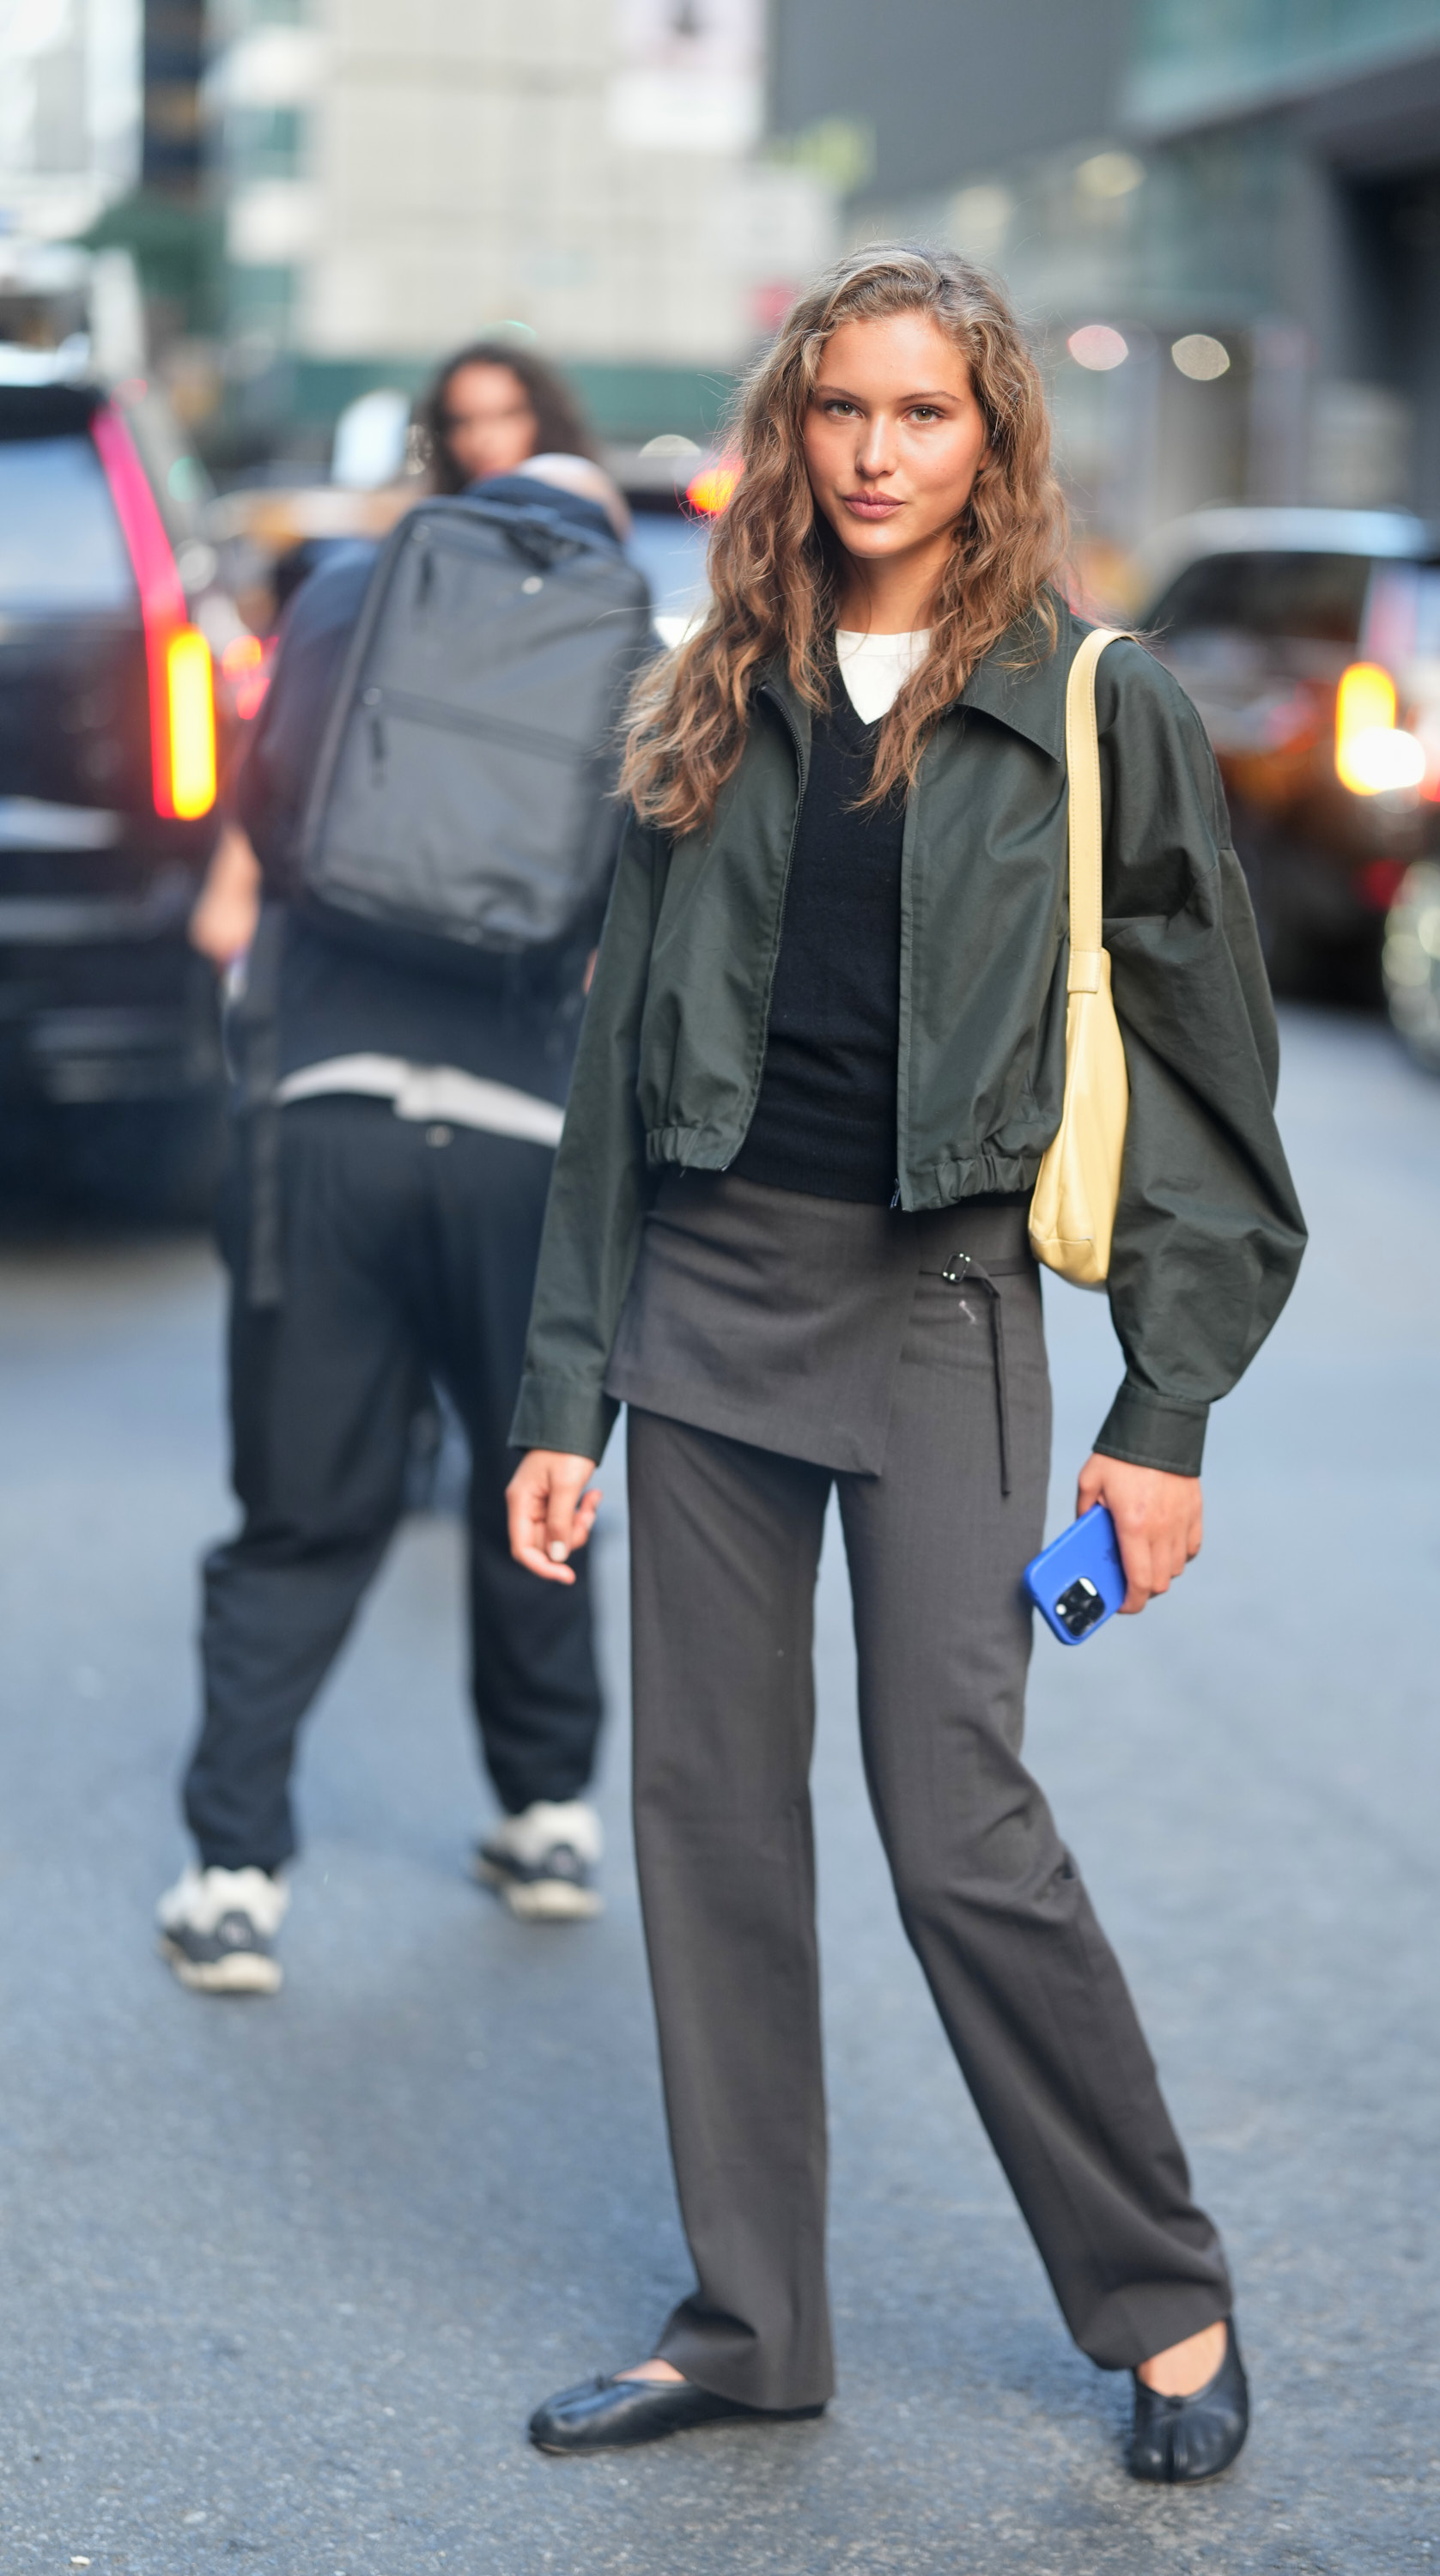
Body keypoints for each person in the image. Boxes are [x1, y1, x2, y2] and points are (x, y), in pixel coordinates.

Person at [505, 246, 1307, 2482]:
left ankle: (1163, 2297)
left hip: (944, 1310)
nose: (874, 454)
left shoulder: (1090, 699)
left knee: (958, 1823)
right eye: (840, 410)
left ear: (995, 441)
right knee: (706, 1824)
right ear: (795, 427)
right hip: (706, 1305)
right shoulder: (713, 684)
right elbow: (603, 1080)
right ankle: (750, 2315)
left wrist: (1166, 1424)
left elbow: (1213, 1090)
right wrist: (564, 1393)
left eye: (921, 415)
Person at [158, 349, 641, 1996]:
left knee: (301, 1509)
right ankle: (550, 1813)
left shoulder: (348, 599)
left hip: (326, 1111)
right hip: (525, 1145)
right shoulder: (631, 657)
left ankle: (234, 1872)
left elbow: (267, 823)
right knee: (538, 1501)